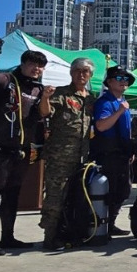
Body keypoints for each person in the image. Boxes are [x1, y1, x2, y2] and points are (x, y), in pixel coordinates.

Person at [0, 49, 50, 256]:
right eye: (32, 64)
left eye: (40, 66)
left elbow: (41, 117)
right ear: (23, 64)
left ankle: (7, 237)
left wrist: (39, 146)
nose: (36, 69)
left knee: (12, 195)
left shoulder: (38, 89)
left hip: (21, 150)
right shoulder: (4, 81)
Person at [37, 58, 95, 250]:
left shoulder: (91, 99)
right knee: (55, 198)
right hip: (60, 156)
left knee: (76, 198)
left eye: (85, 71)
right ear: (71, 73)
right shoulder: (61, 93)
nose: (81, 74)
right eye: (77, 70)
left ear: (90, 75)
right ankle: (50, 237)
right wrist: (45, 98)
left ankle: (70, 234)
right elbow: (45, 113)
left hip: (82, 156)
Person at [91, 67, 136, 236]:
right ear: (109, 82)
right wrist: (119, 111)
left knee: (123, 190)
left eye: (126, 79)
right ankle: (103, 224)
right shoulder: (105, 102)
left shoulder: (122, 101)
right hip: (108, 154)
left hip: (122, 153)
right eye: (119, 78)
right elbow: (101, 126)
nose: (123, 81)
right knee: (109, 191)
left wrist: (130, 150)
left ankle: (111, 223)